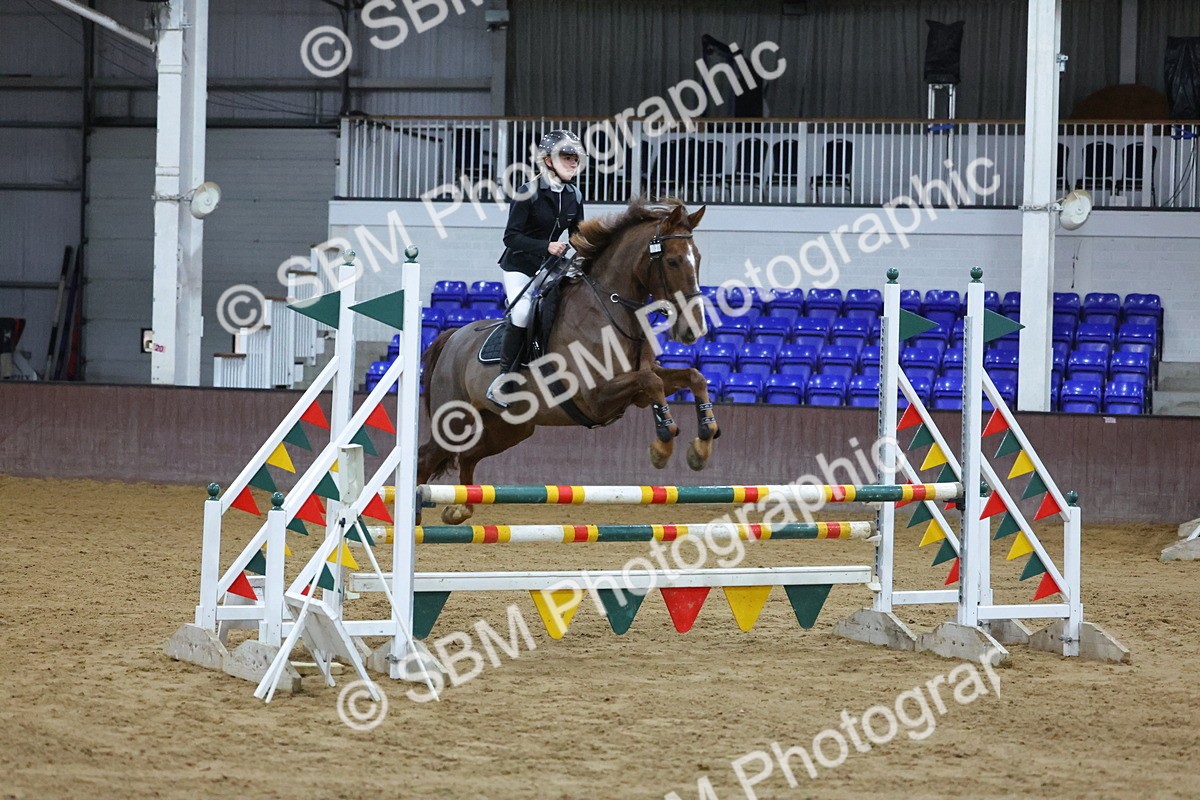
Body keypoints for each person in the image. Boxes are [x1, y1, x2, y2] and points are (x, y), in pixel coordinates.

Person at [486, 129, 586, 408]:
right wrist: (546, 246)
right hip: (520, 265)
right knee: (521, 311)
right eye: (566, 157)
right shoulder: (527, 191)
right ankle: (505, 379)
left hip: (551, 266)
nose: (573, 163)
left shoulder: (574, 195)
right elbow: (511, 237)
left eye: (575, 158)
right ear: (549, 161)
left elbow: (578, 236)